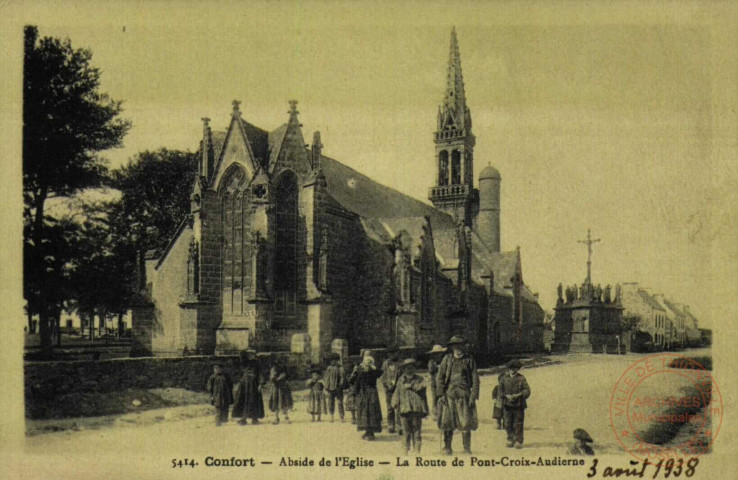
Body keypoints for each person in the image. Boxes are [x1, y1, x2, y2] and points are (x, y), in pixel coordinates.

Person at [436, 335, 479, 455]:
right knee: (447, 422)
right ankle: (448, 447)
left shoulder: (469, 360)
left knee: (465, 422)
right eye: (455, 346)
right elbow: (440, 378)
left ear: (464, 347)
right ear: (452, 347)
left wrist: (473, 396)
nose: (458, 348)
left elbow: (475, 379)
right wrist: (441, 394)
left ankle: (466, 448)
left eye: (460, 345)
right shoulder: (447, 359)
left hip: (464, 395)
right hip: (449, 395)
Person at [391, 358, 429, 454]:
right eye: (407, 368)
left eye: (411, 367)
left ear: (414, 369)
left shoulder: (420, 379)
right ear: (404, 369)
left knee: (416, 431)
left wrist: (412, 386)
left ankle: (417, 451)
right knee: (406, 431)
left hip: (416, 409)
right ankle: (405, 450)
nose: (409, 370)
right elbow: (397, 392)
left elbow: (423, 388)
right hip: (404, 409)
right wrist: (394, 402)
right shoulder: (401, 380)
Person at [500, 359, 531, 449]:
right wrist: (506, 395)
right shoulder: (504, 379)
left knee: (518, 423)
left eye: (515, 368)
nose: (512, 370)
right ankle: (510, 439)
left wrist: (518, 395)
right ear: (508, 369)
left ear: (518, 369)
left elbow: (527, 390)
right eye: (511, 368)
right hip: (507, 404)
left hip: (518, 404)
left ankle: (518, 440)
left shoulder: (521, 378)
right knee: (507, 423)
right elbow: (500, 391)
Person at [354, 354, 383, 440]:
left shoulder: (373, 373)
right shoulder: (360, 372)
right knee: (363, 412)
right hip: (363, 394)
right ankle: (367, 431)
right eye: (366, 363)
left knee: (372, 411)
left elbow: (380, 372)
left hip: (372, 393)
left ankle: (371, 433)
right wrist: (356, 393)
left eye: (369, 364)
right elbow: (357, 383)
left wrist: (373, 367)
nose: (367, 366)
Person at [232, 350, 265, 425]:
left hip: (254, 385)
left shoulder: (257, 363)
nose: (250, 355)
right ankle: (243, 419)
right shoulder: (245, 362)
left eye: (252, 354)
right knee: (243, 401)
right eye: (249, 354)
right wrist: (246, 350)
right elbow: (241, 354)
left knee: (254, 401)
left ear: (254, 355)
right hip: (245, 385)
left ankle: (255, 419)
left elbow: (261, 373)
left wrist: (261, 384)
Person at [380, 346, 401, 434]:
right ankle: (391, 425)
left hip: (398, 388)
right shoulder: (385, 364)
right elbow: (382, 376)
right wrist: (385, 385)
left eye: (394, 353)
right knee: (390, 407)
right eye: (390, 354)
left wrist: (399, 386)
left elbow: (403, 376)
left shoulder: (400, 363)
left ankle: (400, 425)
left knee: (399, 407)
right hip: (389, 389)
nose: (392, 355)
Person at [267, 359, 293, 424]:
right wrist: (280, 377)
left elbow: (289, 376)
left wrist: (287, 379)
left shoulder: (285, 368)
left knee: (285, 401)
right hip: (276, 387)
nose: (282, 364)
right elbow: (272, 379)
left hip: (284, 387)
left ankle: (286, 417)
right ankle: (276, 417)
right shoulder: (273, 369)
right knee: (276, 401)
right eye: (280, 363)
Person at [323, 353, 346, 423]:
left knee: (340, 402)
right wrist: (326, 386)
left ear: (337, 360)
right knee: (330, 402)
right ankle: (331, 415)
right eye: (331, 361)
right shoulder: (329, 368)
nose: (332, 362)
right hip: (330, 388)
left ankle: (341, 416)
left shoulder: (340, 368)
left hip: (338, 388)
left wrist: (340, 385)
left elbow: (342, 377)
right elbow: (326, 377)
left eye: (333, 360)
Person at [426, 344, 446, 419]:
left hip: (443, 382)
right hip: (434, 382)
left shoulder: (444, 361)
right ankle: (435, 413)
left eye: (439, 353)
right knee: (435, 398)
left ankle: (443, 413)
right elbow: (431, 371)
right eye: (436, 354)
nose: (438, 355)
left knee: (443, 397)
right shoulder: (432, 362)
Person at [345, 360, 358, 424]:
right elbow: (349, 380)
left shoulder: (359, 374)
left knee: (358, 404)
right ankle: (353, 417)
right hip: (352, 390)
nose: (356, 369)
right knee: (352, 404)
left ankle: (359, 417)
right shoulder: (349, 375)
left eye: (357, 368)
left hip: (358, 390)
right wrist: (353, 374)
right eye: (354, 368)